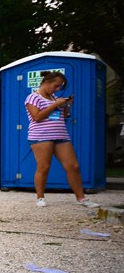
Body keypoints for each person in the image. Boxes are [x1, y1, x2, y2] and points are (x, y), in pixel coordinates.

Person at [25, 70, 98, 208]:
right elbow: (37, 117)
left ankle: (81, 198)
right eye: (56, 86)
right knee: (44, 167)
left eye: (59, 87)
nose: (57, 89)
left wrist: (67, 105)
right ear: (47, 82)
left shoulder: (54, 98)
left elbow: (62, 117)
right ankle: (40, 198)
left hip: (61, 135)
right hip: (41, 136)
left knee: (73, 166)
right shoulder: (33, 97)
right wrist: (55, 104)